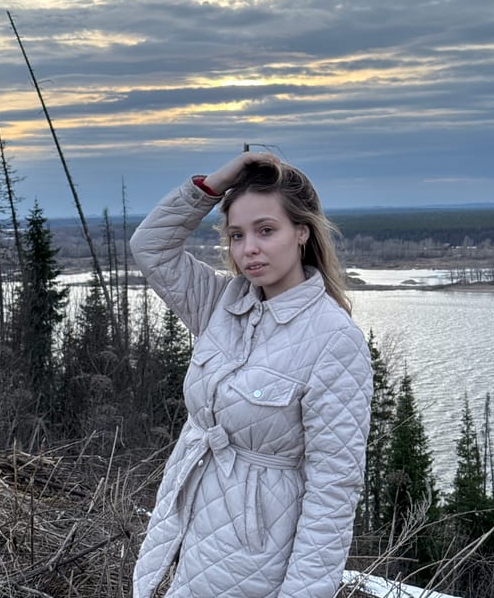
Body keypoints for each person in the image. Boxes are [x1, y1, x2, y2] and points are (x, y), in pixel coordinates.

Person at [131, 152, 373, 598]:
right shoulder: (221, 304)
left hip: (255, 561)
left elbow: (333, 491)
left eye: (266, 230)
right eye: (237, 235)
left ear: (302, 232)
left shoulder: (334, 339)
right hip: (183, 530)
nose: (249, 250)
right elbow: (151, 247)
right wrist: (213, 185)